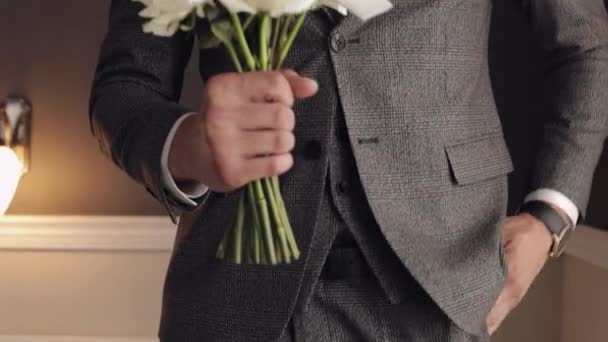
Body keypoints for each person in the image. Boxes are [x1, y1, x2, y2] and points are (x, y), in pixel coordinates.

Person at [89, 0, 608, 341]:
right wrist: (190, 146)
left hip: (442, 283)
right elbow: (124, 86)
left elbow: (587, 45)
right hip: (237, 290)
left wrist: (551, 215)